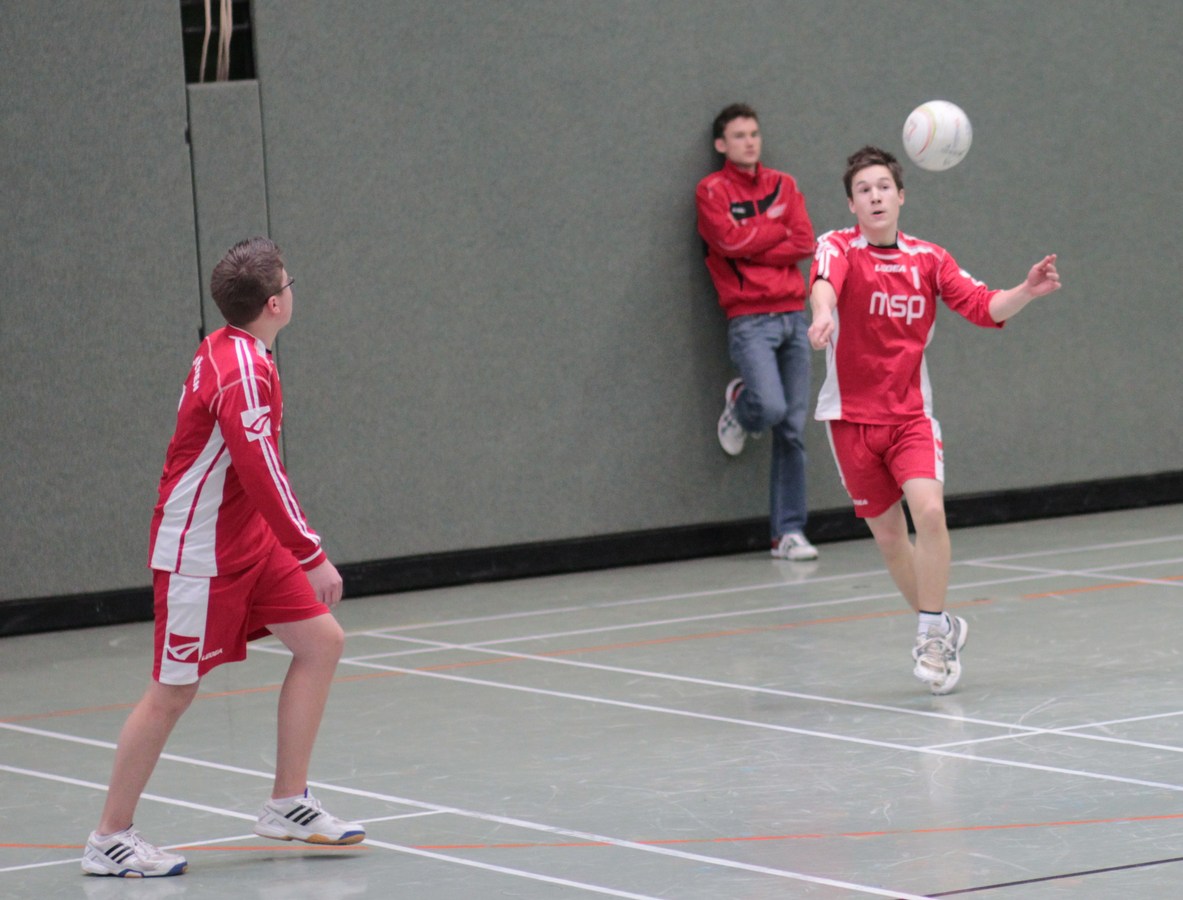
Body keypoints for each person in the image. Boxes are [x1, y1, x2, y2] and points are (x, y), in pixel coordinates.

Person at [82, 237, 364, 877]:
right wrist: (311, 553)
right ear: (275, 304)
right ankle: (110, 838)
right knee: (172, 693)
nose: (292, 291)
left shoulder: (236, 349)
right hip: (198, 554)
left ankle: (288, 802)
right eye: (289, 284)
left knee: (321, 643)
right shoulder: (240, 372)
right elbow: (261, 469)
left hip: (248, 541)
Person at [807, 146, 1061, 694]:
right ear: (851, 204)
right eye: (863, 190)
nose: (875, 196)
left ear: (901, 196)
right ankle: (942, 624)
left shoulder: (929, 259)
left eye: (884, 187)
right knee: (890, 538)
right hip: (850, 420)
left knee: (928, 509)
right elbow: (824, 282)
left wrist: (1026, 291)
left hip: (910, 417)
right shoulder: (837, 246)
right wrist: (823, 313)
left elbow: (982, 306)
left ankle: (929, 637)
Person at [696, 103, 819, 561]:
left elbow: (804, 241)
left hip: (794, 314)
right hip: (749, 319)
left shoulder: (784, 184)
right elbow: (727, 242)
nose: (749, 142)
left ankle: (788, 533)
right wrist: (775, 231)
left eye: (754, 133)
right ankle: (741, 407)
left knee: (792, 429)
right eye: (739, 135)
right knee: (769, 406)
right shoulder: (711, 190)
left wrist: (753, 239)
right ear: (721, 144)